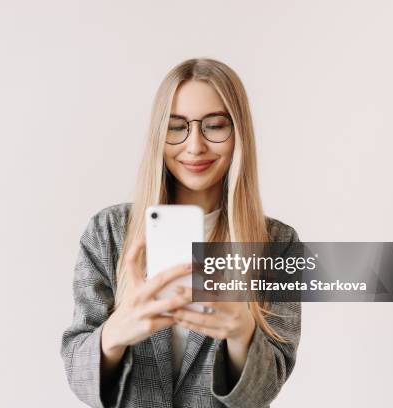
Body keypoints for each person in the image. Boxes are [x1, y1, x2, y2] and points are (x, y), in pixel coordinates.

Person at [61, 58, 301, 408]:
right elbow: (77, 375)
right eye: (176, 127)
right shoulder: (107, 232)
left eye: (215, 125)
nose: (195, 146)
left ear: (239, 133)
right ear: (159, 135)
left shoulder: (279, 245)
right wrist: (116, 332)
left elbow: (265, 390)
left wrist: (241, 333)